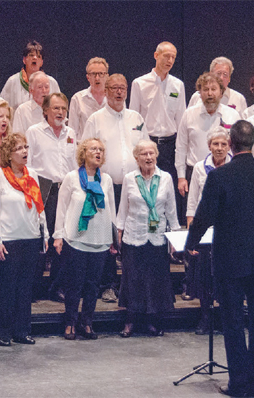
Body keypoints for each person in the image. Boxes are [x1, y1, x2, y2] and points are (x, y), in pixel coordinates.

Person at [185, 121, 254, 397]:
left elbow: (203, 216)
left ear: (230, 143)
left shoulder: (220, 176)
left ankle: (239, 381)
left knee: (232, 322)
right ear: (253, 142)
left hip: (229, 261)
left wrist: (189, 244)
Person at [81, 73, 148, 303]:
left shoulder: (136, 117)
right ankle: (107, 285)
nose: (119, 92)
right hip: (105, 186)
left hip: (133, 185)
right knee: (108, 235)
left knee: (131, 234)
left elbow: (146, 148)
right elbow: (84, 153)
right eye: (115, 88)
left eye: (123, 88)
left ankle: (130, 285)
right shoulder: (95, 119)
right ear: (106, 91)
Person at [0, 133, 48, 346]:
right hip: (10, 239)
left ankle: (22, 330)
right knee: (6, 288)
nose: (24, 152)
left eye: (26, 147)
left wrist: (44, 233)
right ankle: (3, 332)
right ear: (8, 154)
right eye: (19, 148)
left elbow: (39, 206)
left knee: (25, 288)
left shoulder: (33, 175)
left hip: (30, 236)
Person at [116, 140, 180, 337]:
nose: (148, 157)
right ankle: (131, 320)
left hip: (157, 235)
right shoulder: (130, 178)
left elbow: (171, 209)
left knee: (155, 280)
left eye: (151, 153)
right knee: (132, 279)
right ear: (136, 158)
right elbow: (123, 208)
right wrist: (119, 231)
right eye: (144, 154)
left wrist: (175, 237)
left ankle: (152, 321)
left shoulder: (166, 178)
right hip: (134, 234)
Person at [53, 138, 116, 340]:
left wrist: (113, 237)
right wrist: (58, 236)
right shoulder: (71, 178)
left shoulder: (105, 180)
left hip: (100, 240)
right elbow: (61, 209)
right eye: (93, 149)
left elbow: (111, 210)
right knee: (74, 284)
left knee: (92, 285)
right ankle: (70, 322)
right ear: (83, 153)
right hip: (76, 239)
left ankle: (87, 322)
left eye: (100, 150)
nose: (97, 152)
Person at [25, 92, 78, 301]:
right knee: (40, 240)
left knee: (62, 240)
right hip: (42, 188)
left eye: (63, 108)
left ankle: (57, 287)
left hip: (65, 188)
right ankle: (34, 288)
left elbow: (74, 163)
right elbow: (27, 163)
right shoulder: (34, 132)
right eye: (55, 108)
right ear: (45, 110)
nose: (60, 112)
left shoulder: (70, 133)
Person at [129, 42, 186, 224]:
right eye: (166, 56)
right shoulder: (140, 83)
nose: (170, 60)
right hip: (148, 144)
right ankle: (145, 226)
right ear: (156, 55)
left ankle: (170, 230)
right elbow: (134, 119)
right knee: (145, 189)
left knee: (168, 191)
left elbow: (181, 119)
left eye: (173, 57)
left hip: (170, 145)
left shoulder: (178, 85)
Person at [184, 128, 231, 334]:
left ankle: (225, 318)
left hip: (228, 230)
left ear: (229, 146)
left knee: (226, 277)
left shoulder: (234, 166)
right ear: (209, 146)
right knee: (204, 276)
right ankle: (205, 317)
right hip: (205, 229)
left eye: (223, 144)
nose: (219, 148)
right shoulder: (199, 168)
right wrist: (192, 234)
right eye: (215, 144)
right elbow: (193, 201)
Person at [175, 72, 240, 201]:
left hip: (226, 172)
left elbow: (239, 148)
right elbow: (181, 147)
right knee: (196, 215)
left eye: (213, 89)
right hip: (194, 174)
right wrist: (181, 177)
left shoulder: (233, 115)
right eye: (205, 89)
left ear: (221, 92)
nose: (210, 94)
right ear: (199, 94)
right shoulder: (189, 114)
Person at [0, 40, 61, 110]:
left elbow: (59, 109)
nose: (35, 58)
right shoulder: (13, 81)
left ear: (41, 62)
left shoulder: (51, 82)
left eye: (38, 56)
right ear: (24, 59)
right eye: (31, 55)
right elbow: (1, 108)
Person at [68, 57, 109, 140]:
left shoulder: (114, 99)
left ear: (107, 76)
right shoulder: (77, 99)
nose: (97, 78)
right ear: (88, 77)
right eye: (93, 74)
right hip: (85, 149)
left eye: (101, 74)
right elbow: (72, 131)